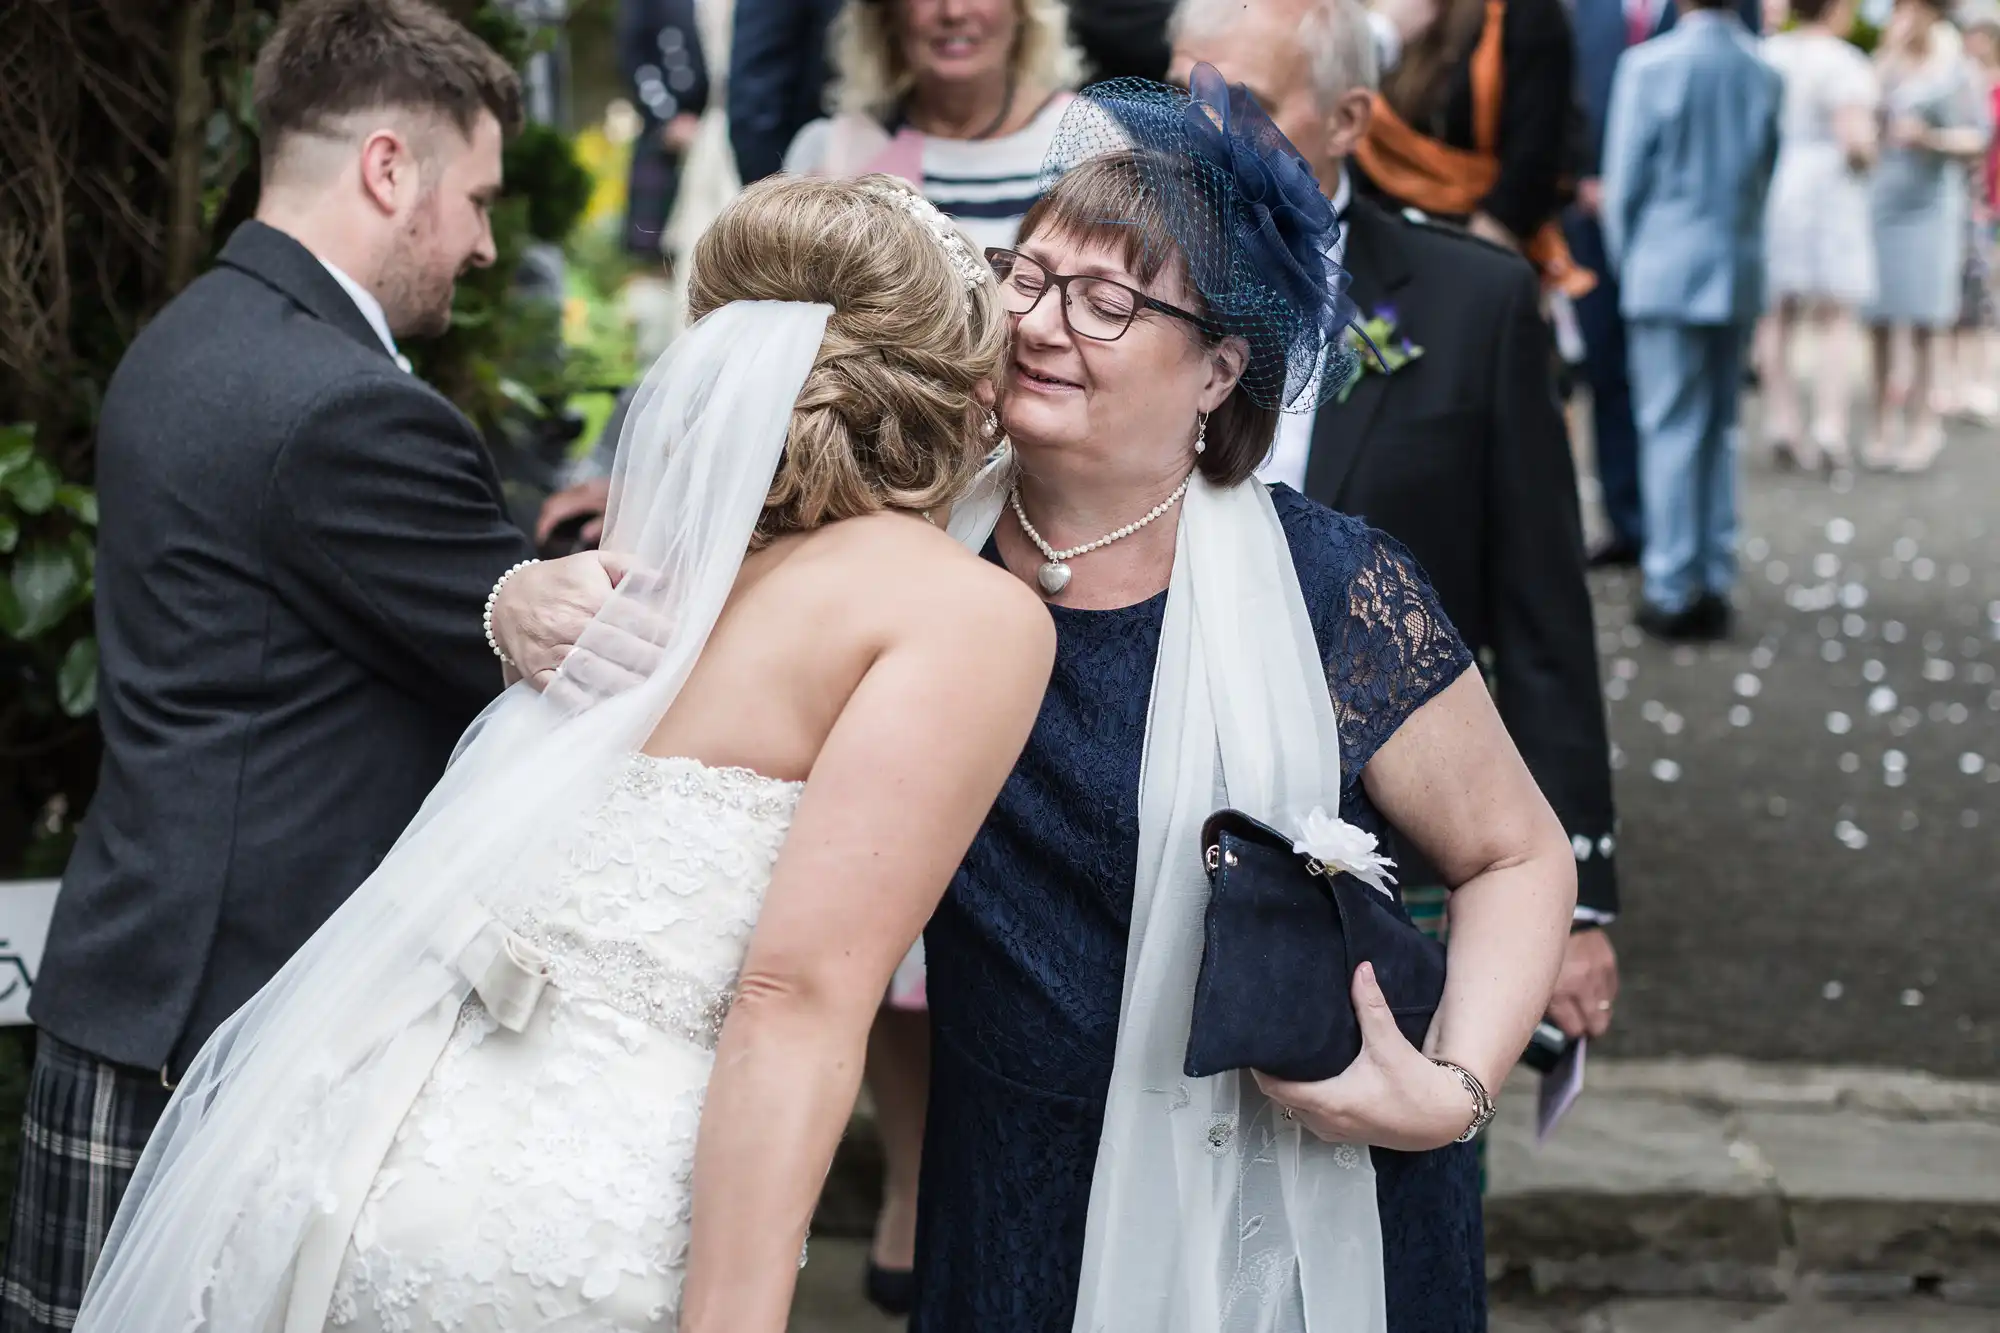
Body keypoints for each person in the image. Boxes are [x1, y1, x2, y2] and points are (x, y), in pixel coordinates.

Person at [73, 174, 1055, 1333]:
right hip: (576, 1227)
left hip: (361, 1156)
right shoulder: (965, 616)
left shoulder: (645, 577)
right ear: (954, 391)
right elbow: (794, 997)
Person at [914, 68, 1576, 1332]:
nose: (1043, 323)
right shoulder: (915, 553)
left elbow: (1513, 852)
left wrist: (1454, 1090)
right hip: (1010, 1187)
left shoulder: (1332, 586)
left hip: (1299, 1197)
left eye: (1107, 301)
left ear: (1218, 370)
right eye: (1031, 278)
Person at [0, 5, 613, 1329]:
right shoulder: (352, 407)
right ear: (391, 169)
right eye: (480, 199)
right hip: (228, 1046)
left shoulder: (187, 342)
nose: (488, 243)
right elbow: (540, 650)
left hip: (137, 994)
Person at [1170, 0, 1621, 1039]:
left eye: (1242, 104)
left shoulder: (1474, 303)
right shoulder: (1113, 293)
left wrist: (1578, 901)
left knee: (1405, 1158)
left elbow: (1541, 614)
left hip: (1395, 831)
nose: (1202, 134)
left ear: (1346, 118)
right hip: (1161, 812)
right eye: (1182, 96)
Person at [1601, 0, 1781, 642]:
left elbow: (1624, 187)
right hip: (1735, 268)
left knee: (1669, 426)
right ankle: (1714, 574)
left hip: (1663, 268)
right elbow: (1765, 173)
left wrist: (1632, 266)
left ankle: (1671, 585)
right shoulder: (1765, 70)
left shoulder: (1649, 66)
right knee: (1720, 427)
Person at [1567, 0, 1760, 566]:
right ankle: (1641, 529)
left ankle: (1673, 567)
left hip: (1656, 251)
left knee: (1682, 416)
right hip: (1594, 223)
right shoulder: (1583, 11)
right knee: (1612, 379)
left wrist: (1635, 253)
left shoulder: (1695, 39)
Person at [783, 0, 1087, 251]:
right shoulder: (831, 155)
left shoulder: (1086, 138)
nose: (953, 11)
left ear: (1022, 9)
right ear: (888, 15)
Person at [1350, 0, 1594, 299]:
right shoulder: (1373, 13)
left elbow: (1535, 162)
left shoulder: (1525, 13)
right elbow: (1339, 120)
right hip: (1373, 243)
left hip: (1480, 246)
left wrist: (1466, 271)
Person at [1866, 0, 1992, 471]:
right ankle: (1881, 423)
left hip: (1931, 207)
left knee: (1925, 319)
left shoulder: (1956, 67)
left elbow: (1978, 139)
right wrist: (1887, 56)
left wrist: (1931, 140)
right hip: (1882, 199)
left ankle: (1924, 425)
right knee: (1877, 317)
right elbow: (1863, 113)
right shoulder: (1887, 62)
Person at [1755, 0, 1880, 472]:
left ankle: (1782, 419)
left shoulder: (1770, 54)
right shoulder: (1844, 61)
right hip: (1828, 191)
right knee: (1835, 314)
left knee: (1776, 313)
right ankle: (1829, 424)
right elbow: (1856, 141)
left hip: (1777, 184)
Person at [618, 0, 711, 261]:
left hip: (718, 127)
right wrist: (667, 118)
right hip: (667, 133)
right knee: (657, 251)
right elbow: (635, 57)